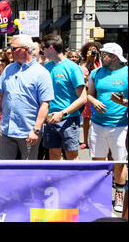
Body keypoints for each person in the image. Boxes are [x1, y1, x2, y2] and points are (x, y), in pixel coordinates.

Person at [0, 34, 54, 160]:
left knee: (28, 171)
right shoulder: (9, 69)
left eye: (13, 48)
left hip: (28, 133)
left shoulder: (41, 73)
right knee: (6, 170)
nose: (10, 51)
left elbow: (45, 105)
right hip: (7, 130)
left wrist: (36, 130)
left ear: (25, 49)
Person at [87, 43, 127, 213]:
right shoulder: (96, 73)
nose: (100, 56)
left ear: (114, 56)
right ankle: (100, 194)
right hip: (97, 125)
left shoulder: (126, 73)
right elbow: (89, 93)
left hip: (120, 126)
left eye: (104, 54)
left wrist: (123, 102)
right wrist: (94, 101)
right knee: (98, 161)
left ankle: (119, 192)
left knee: (120, 162)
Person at [41, 34, 87, 161]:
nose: (42, 52)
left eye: (43, 48)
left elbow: (83, 98)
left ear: (50, 48)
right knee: (53, 155)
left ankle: (76, 181)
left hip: (69, 119)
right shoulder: (47, 67)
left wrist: (63, 113)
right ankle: (56, 181)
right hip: (50, 119)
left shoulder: (72, 68)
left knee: (71, 156)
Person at [79, 41, 102, 149]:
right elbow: (80, 71)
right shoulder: (83, 61)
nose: (92, 52)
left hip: (98, 94)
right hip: (87, 92)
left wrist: (93, 62)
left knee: (98, 117)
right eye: (89, 50)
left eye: (94, 50)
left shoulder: (101, 62)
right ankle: (85, 141)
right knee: (86, 117)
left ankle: (97, 140)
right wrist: (88, 60)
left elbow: (99, 72)